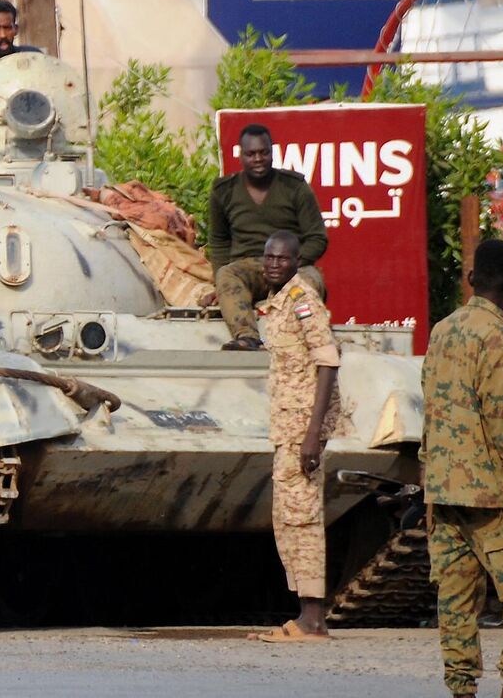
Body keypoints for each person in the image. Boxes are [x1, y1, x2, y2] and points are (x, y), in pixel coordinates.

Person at [422, 239, 503, 698]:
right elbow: (502, 413)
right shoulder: (496, 335)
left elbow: (431, 403)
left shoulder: (442, 329)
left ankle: (461, 690)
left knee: (456, 598)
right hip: (488, 491)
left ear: (472, 279)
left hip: (442, 487)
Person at [250, 231, 351, 644]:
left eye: (283, 258)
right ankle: (303, 616)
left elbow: (328, 361)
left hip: (301, 430)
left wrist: (312, 435)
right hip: (288, 428)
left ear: (296, 262)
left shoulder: (302, 300)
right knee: (287, 519)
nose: (274, 263)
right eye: (269, 257)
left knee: (303, 519)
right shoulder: (277, 303)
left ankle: (313, 620)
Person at [206, 124, 329, 351]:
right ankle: (247, 336)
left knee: (311, 283)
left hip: (293, 267)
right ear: (240, 155)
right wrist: (220, 285)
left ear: (272, 152)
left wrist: (289, 263)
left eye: (264, 152)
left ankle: (296, 337)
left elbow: (317, 238)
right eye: (251, 154)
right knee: (226, 274)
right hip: (249, 266)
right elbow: (219, 241)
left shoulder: (294, 187)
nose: (258, 159)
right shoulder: (223, 191)